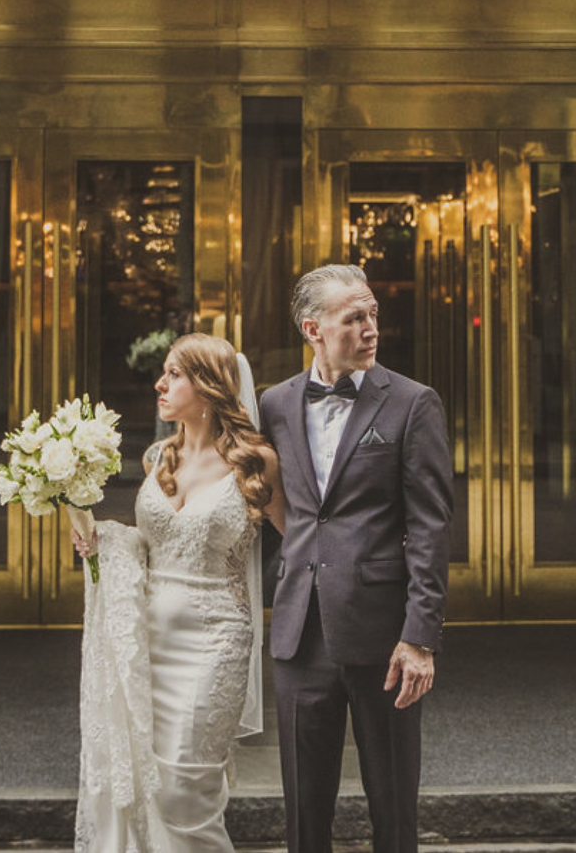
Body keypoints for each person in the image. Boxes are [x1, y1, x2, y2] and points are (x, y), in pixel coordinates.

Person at [257, 264, 453, 853]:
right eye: (355, 318)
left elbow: (430, 525)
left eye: (373, 315)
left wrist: (420, 636)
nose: (371, 329)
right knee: (303, 816)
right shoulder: (275, 404)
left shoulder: (414, 403)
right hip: (298, 633)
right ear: (313, 329)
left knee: (393, 809)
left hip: (384, 636)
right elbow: (266, 507)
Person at [73, 333, 285, 853]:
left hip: (215, 644)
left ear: (210, 386)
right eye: (163, 373)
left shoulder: (255, 463)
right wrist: (101, 541)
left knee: (184, 792)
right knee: (149, 786)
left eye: (174, 374)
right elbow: (145, 545)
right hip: (148, 642)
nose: (159, 383)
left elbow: (302, 543)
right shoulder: (157, 458)